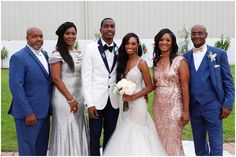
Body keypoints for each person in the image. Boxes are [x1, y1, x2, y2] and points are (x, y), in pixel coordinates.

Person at [103, 33, 166, 156]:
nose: (130, 46)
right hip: (124, 102)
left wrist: (133, 97)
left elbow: (150, 86)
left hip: (138, 103)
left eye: (133, 43)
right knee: (125, 129)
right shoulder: (121, 61)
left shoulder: (141, 63)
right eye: (127, 43)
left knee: (137, 130)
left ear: (138, 45)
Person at [183, 24, 235, 156]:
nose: (197, 36)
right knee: (199, 146)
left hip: (214, 106)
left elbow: (228, 81)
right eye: (194, 33)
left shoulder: (219, 54)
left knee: (216, 145)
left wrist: (228, 104)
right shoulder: (186, 57)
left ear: (206, 35)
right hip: (194, 107)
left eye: (200, 33)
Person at [8, 27, 51, 155]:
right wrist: (28, 112)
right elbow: (16, 87)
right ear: (27, 38)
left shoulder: (45, 55)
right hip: (29, 114)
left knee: (41, 148)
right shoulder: (19, 57)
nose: (38, 39)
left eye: (41, 36)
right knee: (28, 149)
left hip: (44, 112)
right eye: (34, 36)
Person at [48, 22, 89, 155]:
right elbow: (56, 79)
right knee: (65, 127)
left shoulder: (79, 53)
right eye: (67, 33)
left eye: (73, 33)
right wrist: (70, 99)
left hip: (79, 96)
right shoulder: (57, 54)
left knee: (78, 127)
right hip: (63, 97)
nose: (71, 36)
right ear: (61, 35)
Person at [82, 17, 119, 156]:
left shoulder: (119, 49)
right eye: (106, 26)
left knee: (110, 135)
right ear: (100, 29)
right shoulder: (90, 48)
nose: (109, 29)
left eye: (112, 26)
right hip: (95, 102)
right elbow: (86, 78)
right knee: (94, 136)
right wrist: (89, 103)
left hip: (114, 101)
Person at [152, 28, 190, 155]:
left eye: (168, 40)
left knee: (173, 140)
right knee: (160, 138)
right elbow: (155, 84)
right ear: (157, 42)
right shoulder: (156, 61)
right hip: (158, 107)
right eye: (161, 40)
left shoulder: (180, 61)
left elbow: (185, 87)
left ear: (172, 42)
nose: (164, 42)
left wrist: (186, 111)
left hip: (174, 107)